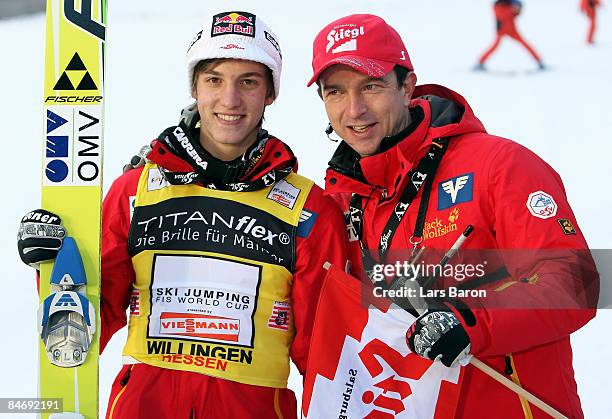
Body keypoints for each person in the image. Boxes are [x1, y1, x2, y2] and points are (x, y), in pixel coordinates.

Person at [18, 11, 348, 419]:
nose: (230, 100)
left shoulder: (309, 211)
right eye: (214, 79)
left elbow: (329, 360)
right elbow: (89, 320)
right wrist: (51, 263)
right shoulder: (134, 192)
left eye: (248, 81)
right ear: (194, 87)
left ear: (270, 93)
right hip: (144, 408)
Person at [306, 13, 598, 418]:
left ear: (407, 86)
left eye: (371, 86)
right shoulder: (343, 201)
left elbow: (575, 282)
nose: (354, 109)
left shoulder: (498, 165)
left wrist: (473, 321)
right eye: (335, 92)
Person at [475, 0, 545, 71]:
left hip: (512, 30)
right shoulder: (497, 5)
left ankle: (540, 62)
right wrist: (512, 9)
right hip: (501, 30)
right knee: (494, 47)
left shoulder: (511, 3)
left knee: (526, 44)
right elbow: (501, 16)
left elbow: (516, 14)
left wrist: (518, 9)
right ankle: (480, 63)